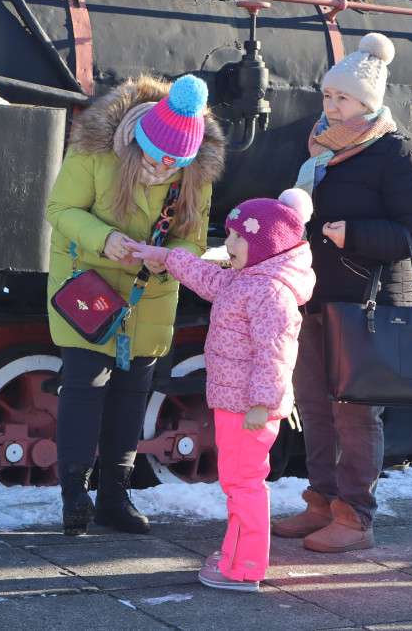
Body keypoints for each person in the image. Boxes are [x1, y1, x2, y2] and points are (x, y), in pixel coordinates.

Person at [272, 32, 412, 552]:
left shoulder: (395, 150)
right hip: (317, 297)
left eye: (342, 98)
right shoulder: (320, 151)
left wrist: (356, 234)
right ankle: (321, 504)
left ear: (368, 102)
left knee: (354, 413)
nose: (331, 105)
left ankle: (355, 518)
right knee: (314, 407)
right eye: (328, 96)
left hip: (366, 304)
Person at [46, 75, 225, 537]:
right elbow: (60, 211)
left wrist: (169, 258)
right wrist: (105, 240)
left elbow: (193, 239)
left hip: (151, 295)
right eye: (157, 155)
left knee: (131, 395)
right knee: (84, 386)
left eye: (175, 161)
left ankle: (113, 498)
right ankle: (73, 497)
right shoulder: (95, 151)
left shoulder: (195, 174)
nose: (165, 166)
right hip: (89, 286)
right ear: (140, 138)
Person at [128, 188, 316, 592]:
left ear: (265, 245)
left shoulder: (270, 292)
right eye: (228, 234)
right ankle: (236, 551)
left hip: (249, 408)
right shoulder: (245, 279)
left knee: (244, 482)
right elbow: (207, 277)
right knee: (236, 481)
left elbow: (276, 353)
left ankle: (245, 566)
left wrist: (261, 404)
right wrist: (166, 257)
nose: (226, 244)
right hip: (235, 403)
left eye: (236, 237)